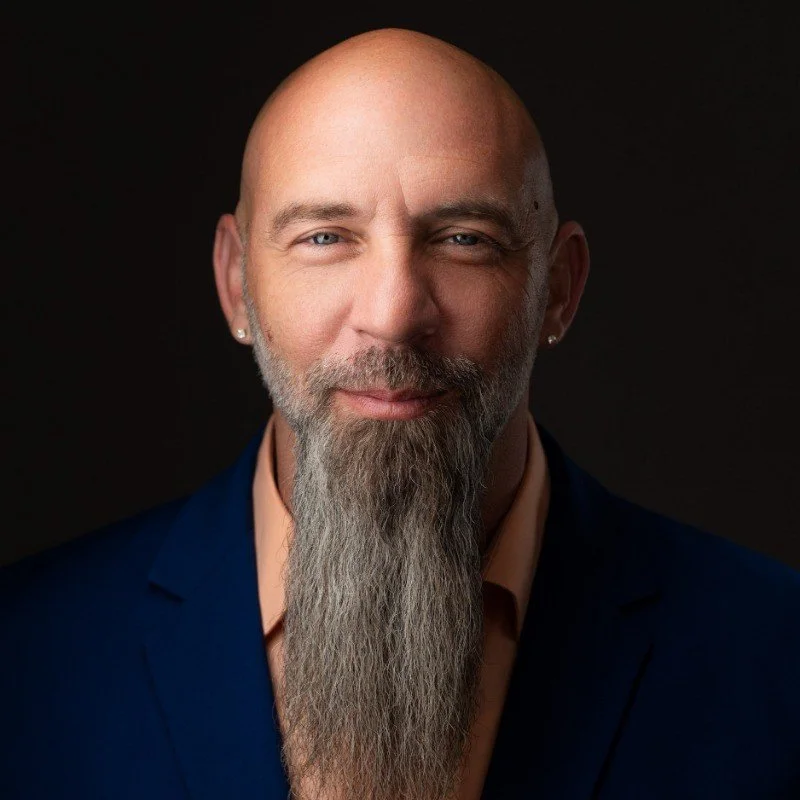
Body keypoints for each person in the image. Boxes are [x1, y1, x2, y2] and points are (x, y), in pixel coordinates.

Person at [2, 27, 799, 800]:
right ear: (238, 283)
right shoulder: (27, 655)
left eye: (463, 239)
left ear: (557, 288)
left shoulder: (775, 656)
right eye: (324, 237)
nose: (392, 313)